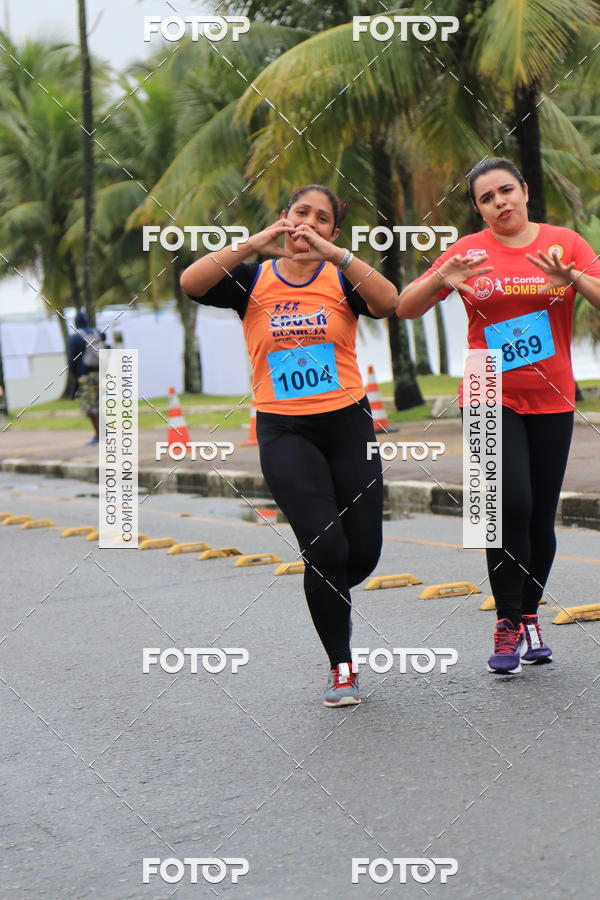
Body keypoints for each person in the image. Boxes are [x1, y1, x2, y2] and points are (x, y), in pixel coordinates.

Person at [180, 184, 398, 705]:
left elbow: (388, 302)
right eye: (301, 213)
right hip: (285, 430)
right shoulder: (252, 278)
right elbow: (192, 282)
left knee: (360, 555)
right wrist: (257, 242)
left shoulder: (341, 278)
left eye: (321, 219)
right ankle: (341, 665)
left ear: (333, 233)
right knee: (325, 549)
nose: (308, 224)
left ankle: (329, 584)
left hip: (348, 426)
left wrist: (338, 257)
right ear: (284, 218)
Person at [397, 157, 600, 675]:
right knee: (508, 503)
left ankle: (531, 615)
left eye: (506, 191)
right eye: (486, 199)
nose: (499, 203)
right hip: (487, 389)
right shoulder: (468, 250)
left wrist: (572, 275)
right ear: (478, 208)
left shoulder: (564, 243)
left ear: (525, 191)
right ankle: (507, 622)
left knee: (539, 514)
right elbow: (405, 308)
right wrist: (444, 274)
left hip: (553, 395)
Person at [67, 310, 107, 445]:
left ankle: (99, 435)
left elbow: (71, 361)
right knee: (99, 404)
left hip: (86, 376)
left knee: (90, 407)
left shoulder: (75, 337)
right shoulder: (97, 333)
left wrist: (77, 375)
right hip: (100, 374)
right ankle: (103, 433)